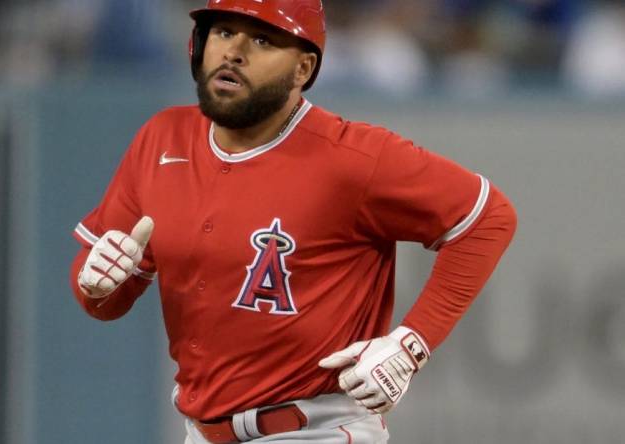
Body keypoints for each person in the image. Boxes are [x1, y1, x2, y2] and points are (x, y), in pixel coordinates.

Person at [69, 1, 517, 442]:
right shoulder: (161, 138)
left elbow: (487, 217)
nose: (234, 52)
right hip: (201, 432)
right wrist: (97, 285)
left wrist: (412, 343)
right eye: (224, 33)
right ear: (198, 44)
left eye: (263, 40)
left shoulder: (352, 157)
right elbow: (105, 302)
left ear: (303, 70)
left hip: (312, 429)